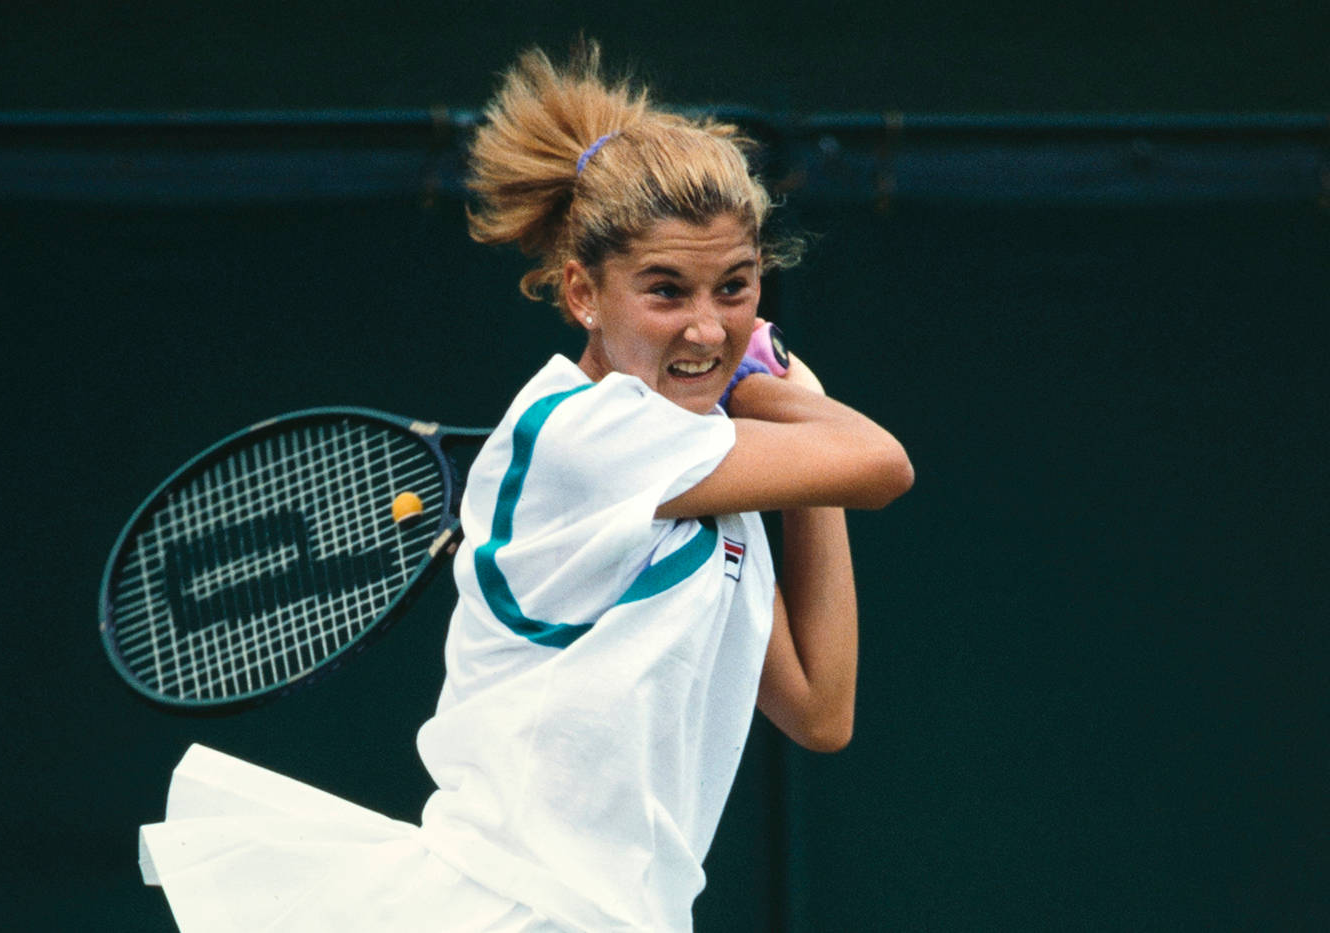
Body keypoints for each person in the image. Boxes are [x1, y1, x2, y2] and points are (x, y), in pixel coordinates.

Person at [139, 41, 912, 933]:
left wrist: (782, 424)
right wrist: (787, 390)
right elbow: (880, 463)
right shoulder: (588, 434)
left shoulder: (697, 467)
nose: (708, 324)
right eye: (667, 291)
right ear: (584, 293)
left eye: (735, 287)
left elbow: (821, 709)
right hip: (513, 910)